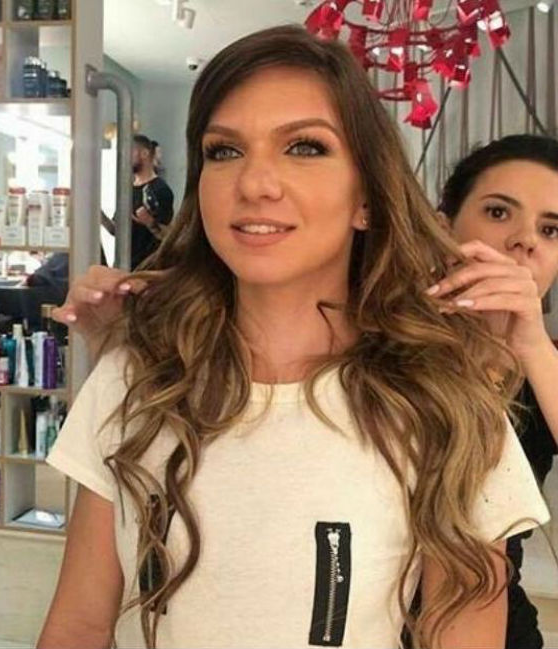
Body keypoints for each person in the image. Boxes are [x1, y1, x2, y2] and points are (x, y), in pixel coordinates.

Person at [38, 26, 549, 649]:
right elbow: (79, 625)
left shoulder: (444, 402)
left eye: (305, 147)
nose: (255, 183)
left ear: (367, 198)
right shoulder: (136, 376)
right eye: (224, 151)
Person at [436, 134, 558, 649]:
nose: (525, 240)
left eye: (550, 229)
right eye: (498, 212)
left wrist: (531, 342)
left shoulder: (545, 365)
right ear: (443, 228)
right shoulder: (379, 343)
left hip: (502, 628)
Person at [101, 134, 174, 269]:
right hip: (125, 267)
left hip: (149, 269)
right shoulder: (127, 191)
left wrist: (149, 222)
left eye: (130, 151)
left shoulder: (160, 189)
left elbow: (168, 237)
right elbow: (116, 230)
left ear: (144, 154)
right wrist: (99, 215)